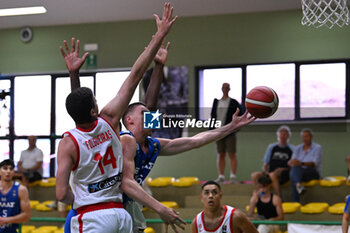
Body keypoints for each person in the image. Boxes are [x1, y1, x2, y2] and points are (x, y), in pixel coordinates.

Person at [56, 3, 184, 233]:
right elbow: (138, 86)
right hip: (117, 211)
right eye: (143, 116)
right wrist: (158, 50)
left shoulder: (149, 141)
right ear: (130, 120)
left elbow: (148, 106)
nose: (149, 118)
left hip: (104, 211)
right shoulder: (121, 133)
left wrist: (158, 65)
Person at [190, 180, 258, 233]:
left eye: (214, 192)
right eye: (207, 193)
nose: (210, 196)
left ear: (220, 196)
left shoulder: (236, 216)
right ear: (201, 198)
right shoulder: (196, 222)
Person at [211, 83, 244, 184]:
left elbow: (240, 114)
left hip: (229, 131)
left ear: (229, 89)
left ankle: (233, 176)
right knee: (220, 154)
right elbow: (213, 116)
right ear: (221, 89)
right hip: (218, 131)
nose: (225, 89)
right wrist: (212, 130)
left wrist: (235, 128)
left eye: (227, 88)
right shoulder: (216, 102)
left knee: (232, 153)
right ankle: (221, 176)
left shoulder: (233, 102)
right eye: (223, 87)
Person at [251, 125, 294, 197]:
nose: (283, 136)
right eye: (281, 134)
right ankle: (260, 196)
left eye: (285, 134)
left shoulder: (292, 149)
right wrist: (266, 171)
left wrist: (283, 169)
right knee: (255, 175)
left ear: (288, 136)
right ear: (278, 135)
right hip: (270, 172)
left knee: (272, 175)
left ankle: (279, 197)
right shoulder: (272, 147)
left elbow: (293, 165)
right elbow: (265, 163)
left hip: (284, 173)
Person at [288, 128, 322, 202]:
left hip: (312, 172)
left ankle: (295, 201)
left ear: (311, 137)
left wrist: (301, 163)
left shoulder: (317, 147)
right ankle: (298, 185)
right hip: (300, 172)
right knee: (294, 171)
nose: (304, 138)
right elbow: (292, 161)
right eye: (303, 136)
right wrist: (292, 162)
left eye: (307, 136)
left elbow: (314, 163)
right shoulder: (298, 148)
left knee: (293, 173)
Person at [0, 159, 31, 233]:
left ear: (14, 172)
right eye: (5, 168)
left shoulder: (21, 189)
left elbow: (27, 216)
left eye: (11, 169)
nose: (8, 171)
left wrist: (5, 220)